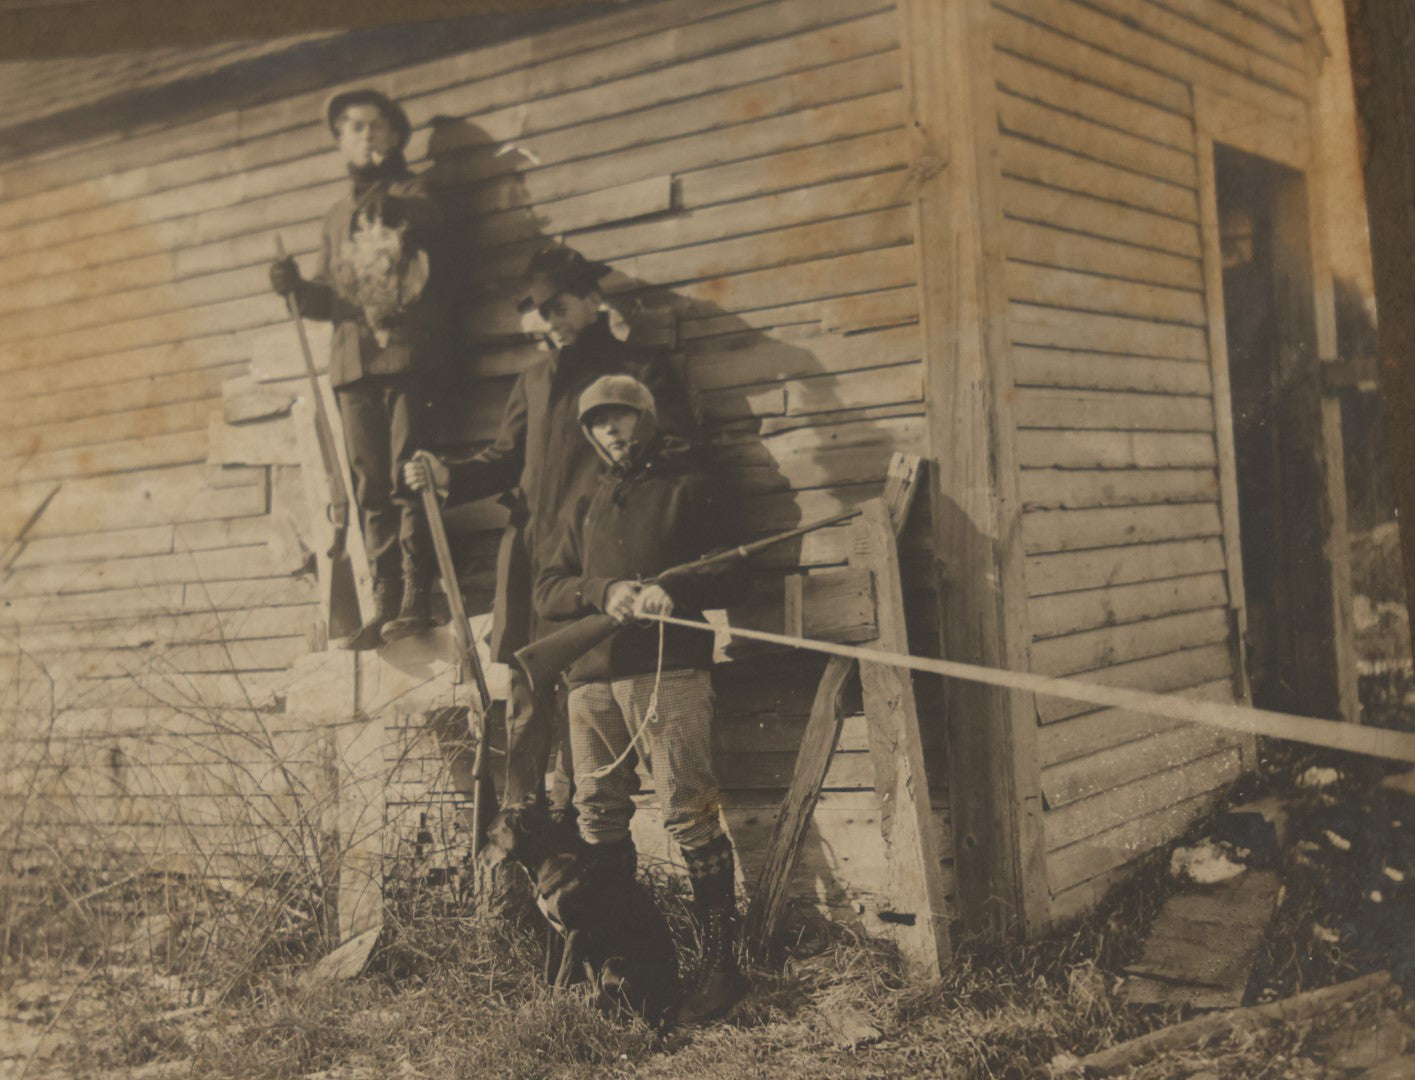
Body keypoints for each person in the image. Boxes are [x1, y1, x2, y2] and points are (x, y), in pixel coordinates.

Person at [402, 245, 696, 825]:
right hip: (532, 557)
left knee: (591, 694)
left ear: (592, 299)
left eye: (559, 306)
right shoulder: (534, 379)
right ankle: (523, 825)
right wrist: (446, 475)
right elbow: (504, 460)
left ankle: (578, 828)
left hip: (596, 559)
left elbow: (675, 455)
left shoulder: (636, 371)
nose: (550, 321)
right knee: (526, 693)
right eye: (542, 311)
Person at [533, 374, 747, 1025]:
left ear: (646, 419)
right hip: (590, 680)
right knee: (598, 815)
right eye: (598, 422)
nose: (611, 430)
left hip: (668, 669)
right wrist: (601, 592)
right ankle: (630, 964)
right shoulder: (584, 502)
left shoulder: (689, 485)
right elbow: (548, 586)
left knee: (687, 810)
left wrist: (674, 586)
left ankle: (720, 969)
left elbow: (734, 559)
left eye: (621, 417)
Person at [267, 87, 454, 650]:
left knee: (407, 473)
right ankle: (385, 599)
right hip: (352, 364)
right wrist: (295, 289)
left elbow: (435, 232)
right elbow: (330, 298)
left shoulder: (418, 194)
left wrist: (397, 206)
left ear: (395, 136)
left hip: (405, 356)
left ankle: (416, 594)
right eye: (353, 127)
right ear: (339, 141)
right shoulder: (336, 216)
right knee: (369, 483)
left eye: (376, 125)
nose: (365, 134)